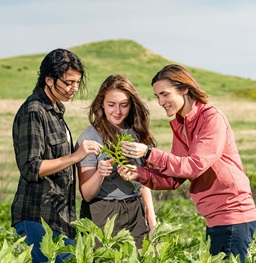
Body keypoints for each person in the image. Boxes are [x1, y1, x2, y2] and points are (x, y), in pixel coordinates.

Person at [118, 64, 256, 262]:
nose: (161, 102)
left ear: (184, 89)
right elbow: (174, 179)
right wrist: (139, 173)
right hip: (215, 217)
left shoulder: (211, 118)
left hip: (233, 214)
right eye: (157, 96)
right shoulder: (181, 125)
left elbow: (194, 165)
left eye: (165, 94)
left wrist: (149, 153)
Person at [11, 48, 102, 263]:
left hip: (60, 219)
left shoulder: (56, 111)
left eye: (77, 83)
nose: (74, 88)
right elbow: (31, 167)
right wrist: (75, 156)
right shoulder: (34, 111)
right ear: (49, 80)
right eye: (68, 82)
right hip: (37, 217)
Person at [76, 74, 157, 250]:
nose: (117, 111)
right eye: (111, 105)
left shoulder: (137, 133)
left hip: (135, 209)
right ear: (101, 104)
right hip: (102, 212)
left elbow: (144, 182)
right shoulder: (89, 137)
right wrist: (100, 173)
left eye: (124, 105)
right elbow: (87, 194)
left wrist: (151, 218)